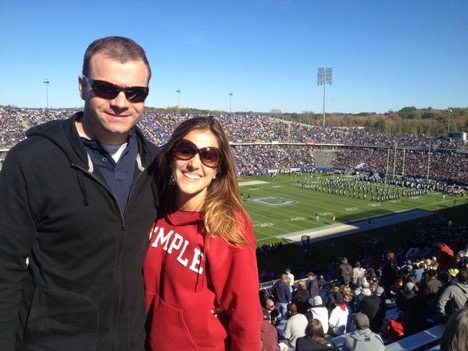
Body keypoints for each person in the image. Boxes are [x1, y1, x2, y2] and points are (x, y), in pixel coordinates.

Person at [0, 36, 158, 350]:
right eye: (106, 88)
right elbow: (5, 268)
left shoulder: (156, 165)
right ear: (82, 86)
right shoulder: (32, 160)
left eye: (135, 92)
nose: (121, 102)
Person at [143, 116, 262, 351]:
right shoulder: (151, 207)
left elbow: (246, 317)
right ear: (172, 155)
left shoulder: (228, 227)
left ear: (218, 168)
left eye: (208, 156)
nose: (194, 164)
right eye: (186, 150)